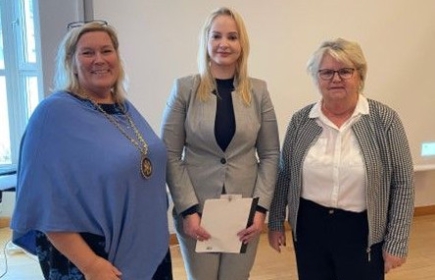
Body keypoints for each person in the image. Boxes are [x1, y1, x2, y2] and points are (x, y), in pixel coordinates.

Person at [10, 21, 172, 280]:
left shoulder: (124, 109)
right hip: (95, 259)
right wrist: (91, 265)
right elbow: (43, 203)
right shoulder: (53, 114)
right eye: (87, 53)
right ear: (72, 63)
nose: (99, 59)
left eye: (107, 51)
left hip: (149, 250)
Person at [268, 37, 415, 280]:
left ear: (360, 75)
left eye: (345, 71)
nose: (335, 79)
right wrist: (275, 222)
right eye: (326, 72)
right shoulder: (300, 121)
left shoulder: (384, 120)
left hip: (362, 230)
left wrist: (397, 242)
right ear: (316, 78)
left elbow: (403, 183)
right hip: (309, 228)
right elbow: (285, 174)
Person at [161, 7, 279, 280]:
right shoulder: (184, 90)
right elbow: (168, 153)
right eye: (216, 36)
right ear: (206, 41)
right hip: (197, 212)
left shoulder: (259, 91)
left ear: (242, 44)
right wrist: (188, 210)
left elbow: (271, 154)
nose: (223, 44)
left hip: (244, 213)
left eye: (232, 37)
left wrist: (260, 210)